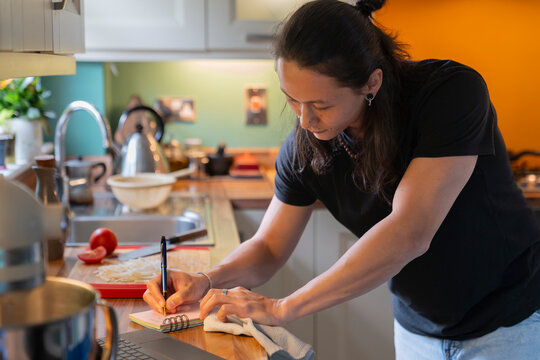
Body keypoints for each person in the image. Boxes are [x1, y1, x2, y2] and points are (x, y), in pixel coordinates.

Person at [144, 0, 540, 358]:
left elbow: (410, 232)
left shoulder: (449, 95)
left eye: (320, 104)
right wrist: (205, 279)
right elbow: (268, 246)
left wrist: (285, 307)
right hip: (418, 328)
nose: (304, 120)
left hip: (509, 321)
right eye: (292, 98)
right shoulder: (305, 147)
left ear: (372, 82)